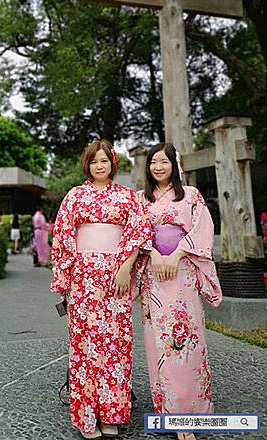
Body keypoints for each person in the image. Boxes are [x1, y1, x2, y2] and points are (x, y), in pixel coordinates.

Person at [51, 139, 152, 439]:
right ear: (87, 165)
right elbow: (63, 237)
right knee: (84, 348)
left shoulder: (127, 197)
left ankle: (111, 413)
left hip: (116, 277)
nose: (99, 165)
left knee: (116, 345)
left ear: (112, 163)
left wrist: (124, 269)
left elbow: (138, 233)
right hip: (83, 280)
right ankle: (86, 416)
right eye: (94, 161)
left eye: (104, 160)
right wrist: (65, 279)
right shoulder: (75, 196)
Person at [133, 143, 222, 440]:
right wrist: (154, 253)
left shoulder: (192, 196)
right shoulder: (140, 199)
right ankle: (170, 413)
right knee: (159, 344)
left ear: (174, 164)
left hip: (182, 274)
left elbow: (201, 229)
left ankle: (193, 412)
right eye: (153, 162)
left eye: (164, 162)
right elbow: (135, 232)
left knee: (187, 342)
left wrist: (178, 253)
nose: (158, 167)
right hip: (153, 275)